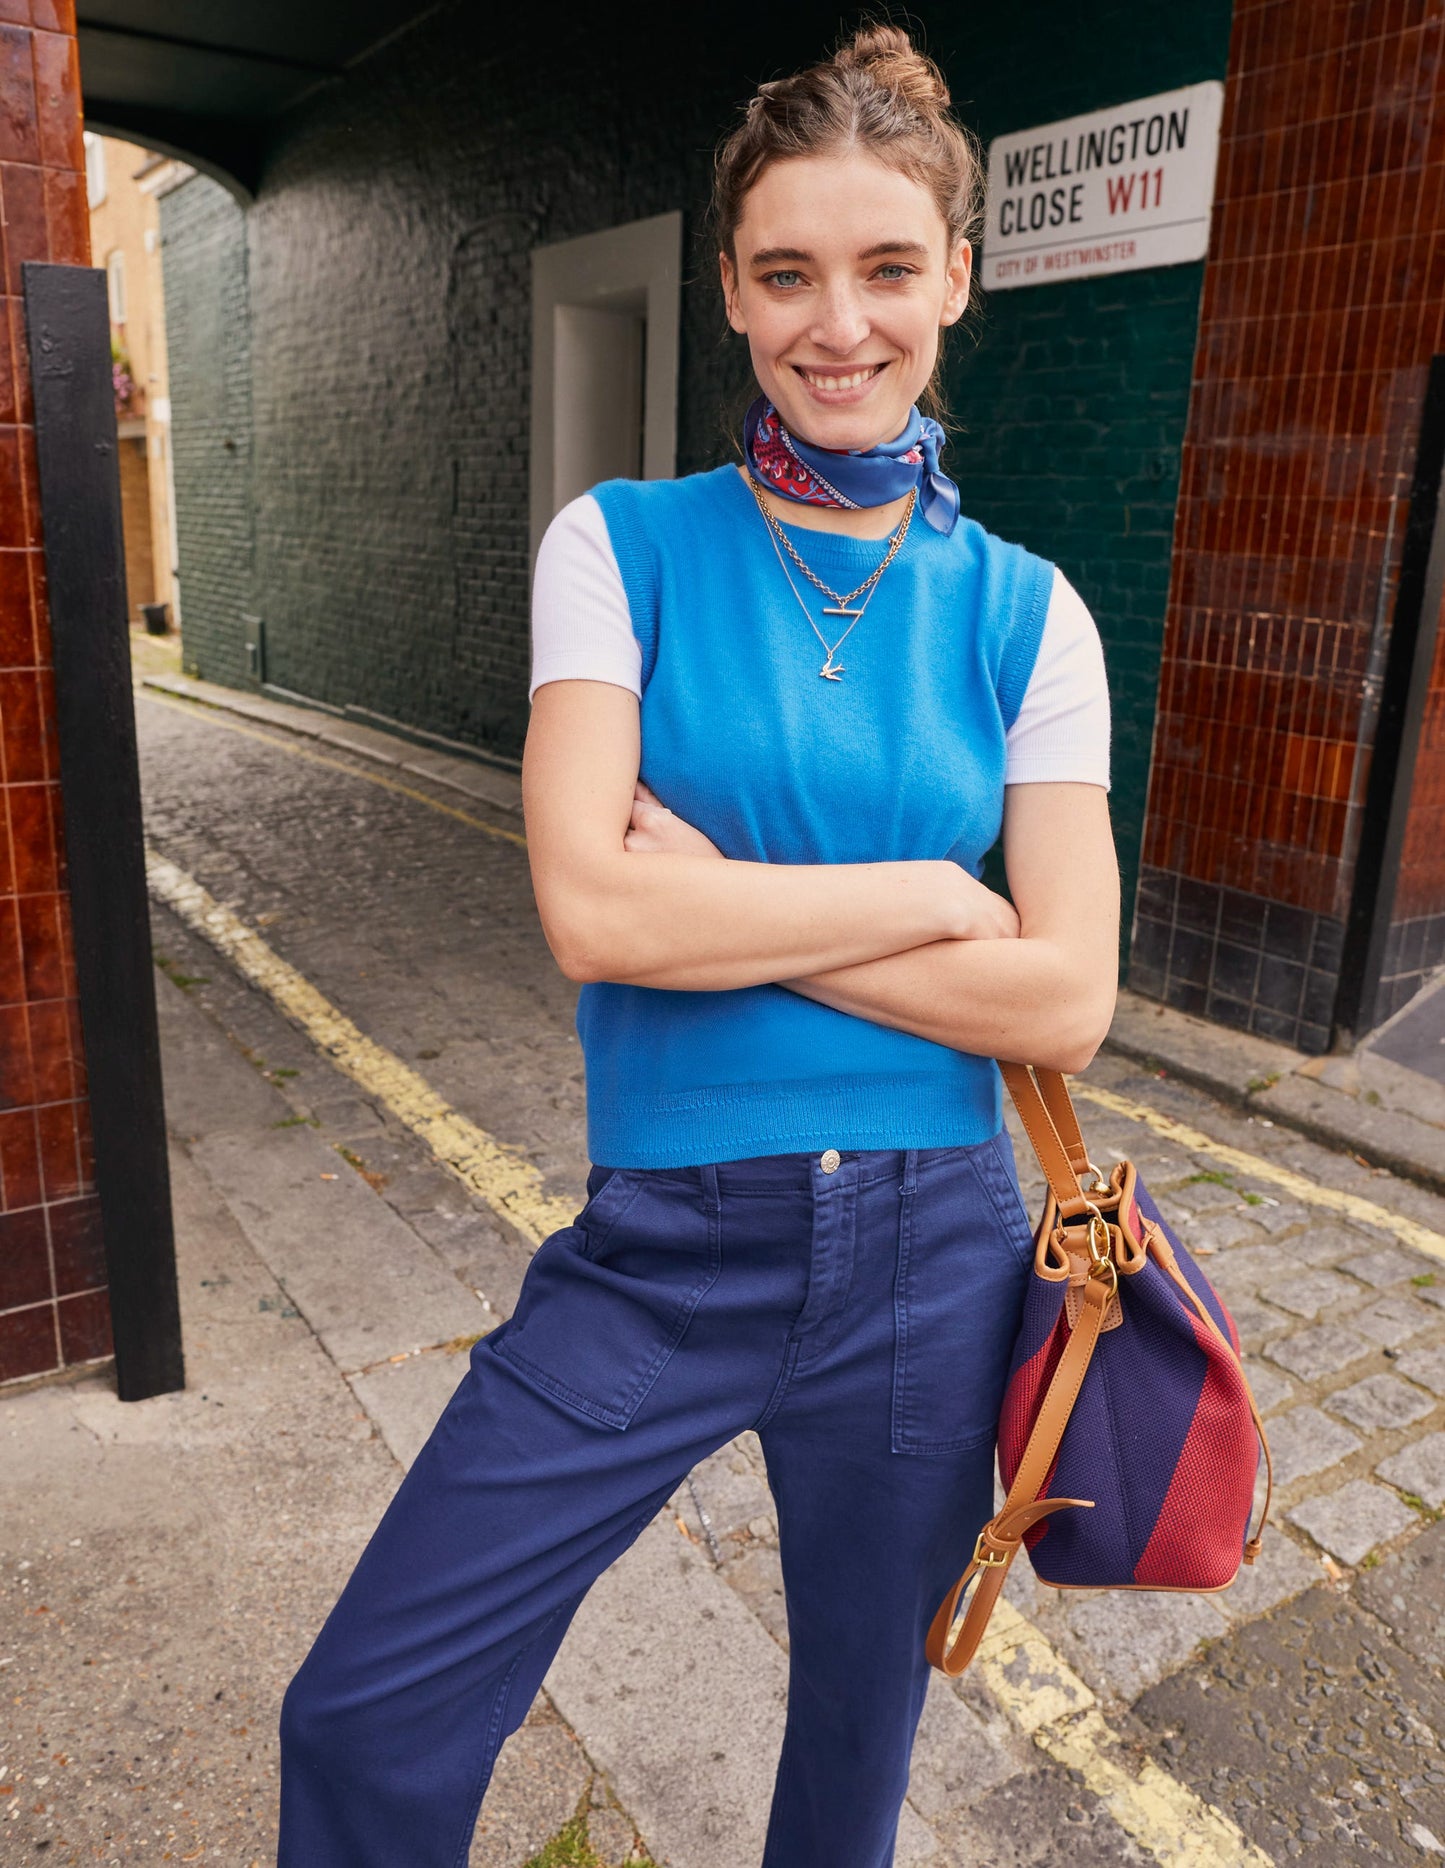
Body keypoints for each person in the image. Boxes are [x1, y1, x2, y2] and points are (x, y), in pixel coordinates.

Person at [276, 23, 1119, 1867]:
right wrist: (925, 893)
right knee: (366, 1707)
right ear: (727, 289)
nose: (842, 324)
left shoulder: (1030, 618)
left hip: (934, 1259)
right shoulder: (622, 547)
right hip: (665, 1249)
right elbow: (590, 909)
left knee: (854, 1753)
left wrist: (713, 907)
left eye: (888, 268)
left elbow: (1065, 994)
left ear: (955, 279)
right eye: (788, 272)